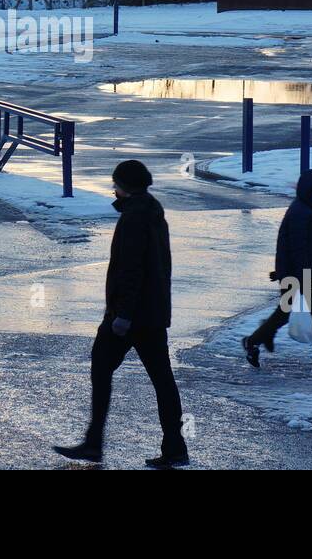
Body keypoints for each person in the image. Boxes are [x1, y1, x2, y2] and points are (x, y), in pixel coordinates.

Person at [53, 160, 188, 469]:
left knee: (101, 367)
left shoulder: (134, 218)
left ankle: (93, 444)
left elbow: (131, 270)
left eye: (116, 183)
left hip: (130, 316)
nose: (114, 188)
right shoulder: (152, 211)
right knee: (162, 380)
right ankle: (174, 447)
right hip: (152, 314)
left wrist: (122, 315)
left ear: (125, 185)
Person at [240, 169, 312, 370]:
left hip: (297, 272)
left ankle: (254, 342)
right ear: (310, 190)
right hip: (298, 273)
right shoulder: (301, 212)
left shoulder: (304, 208)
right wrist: (308, 275)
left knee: (288, 312)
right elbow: (298, 249)